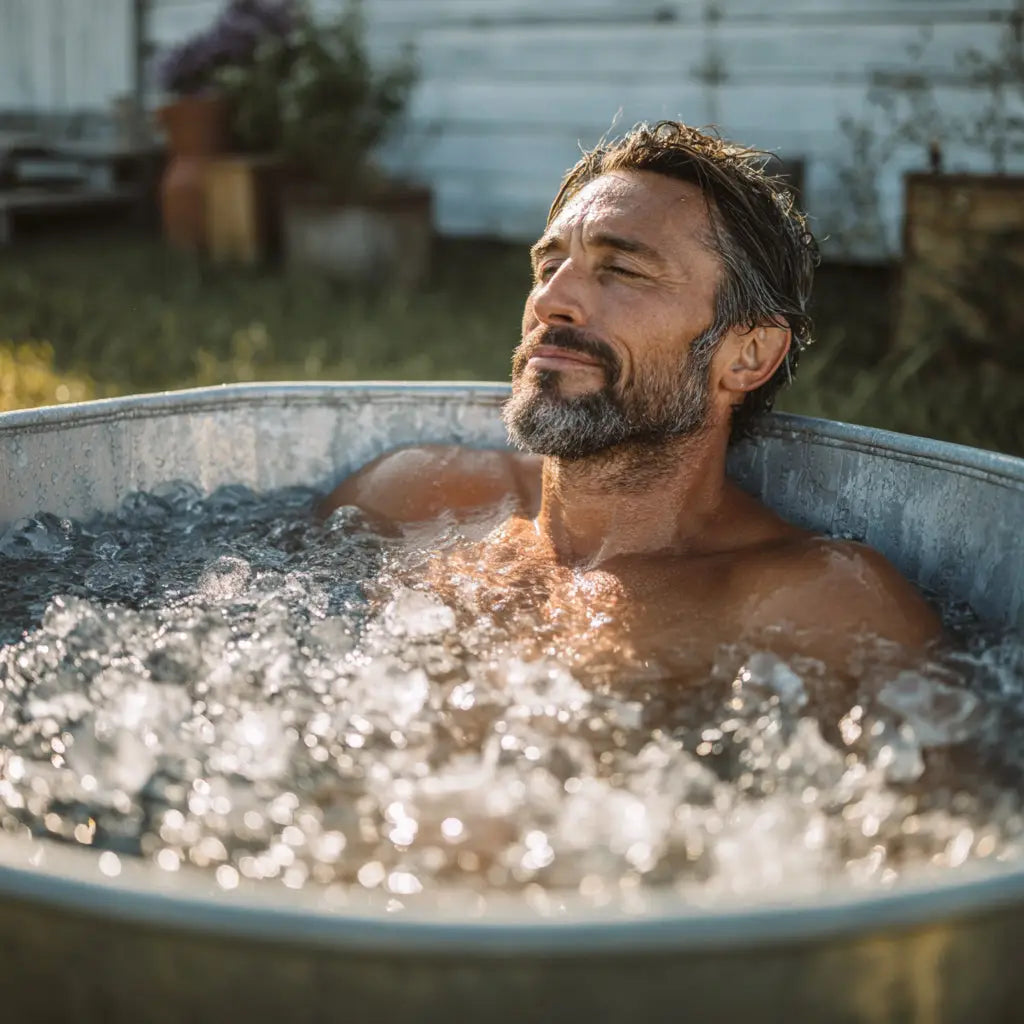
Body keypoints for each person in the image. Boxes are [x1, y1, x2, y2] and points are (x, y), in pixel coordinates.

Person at [320, 121, 940, 676]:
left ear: (747, 355)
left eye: (622, 271)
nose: (549, 302)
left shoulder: (812, 606)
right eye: (548, 267)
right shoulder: (407, 500)